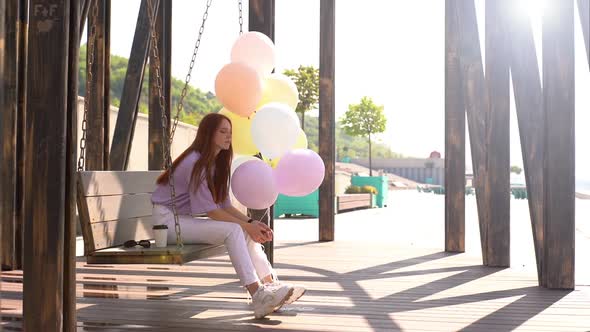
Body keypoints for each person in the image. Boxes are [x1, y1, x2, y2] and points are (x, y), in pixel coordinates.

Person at [151, 113, 305, 319]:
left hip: (182, 221)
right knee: (234, 229)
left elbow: (224, 205)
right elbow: (213, 212)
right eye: (222, 132)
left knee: (243, 230)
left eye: (230, 132)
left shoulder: (216, 163)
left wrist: (251, 223)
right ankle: (258, 295)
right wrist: (244, 225)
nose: (228, 136)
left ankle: (271, 286)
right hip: (166, 223)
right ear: (208, 134)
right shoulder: (194, 162)